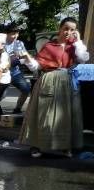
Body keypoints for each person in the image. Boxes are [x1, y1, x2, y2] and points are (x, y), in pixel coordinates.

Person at [20, 17, 89, 157]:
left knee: (66, 116)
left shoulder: (75, 47)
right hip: (48, 79)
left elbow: (83, 58)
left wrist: (78, 41)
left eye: (72, 29)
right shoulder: (49, 46)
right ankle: (36, 145)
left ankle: (65, 146)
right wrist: (28, 60)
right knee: (43, 114)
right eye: (66, 28)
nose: (68, 32)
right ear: (60, 28)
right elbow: (37, 66)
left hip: (67, 81)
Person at [3, 22, 36, 114]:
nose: (15, 36)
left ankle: (18, 108)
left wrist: (26, 58)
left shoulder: (19, 43)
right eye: (12, 33)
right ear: (7, 34)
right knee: (0, 94)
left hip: (15, 72)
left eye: (17, 33)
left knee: (26, 89)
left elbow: (25, 56)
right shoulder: (2, 44)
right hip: (4, 73)